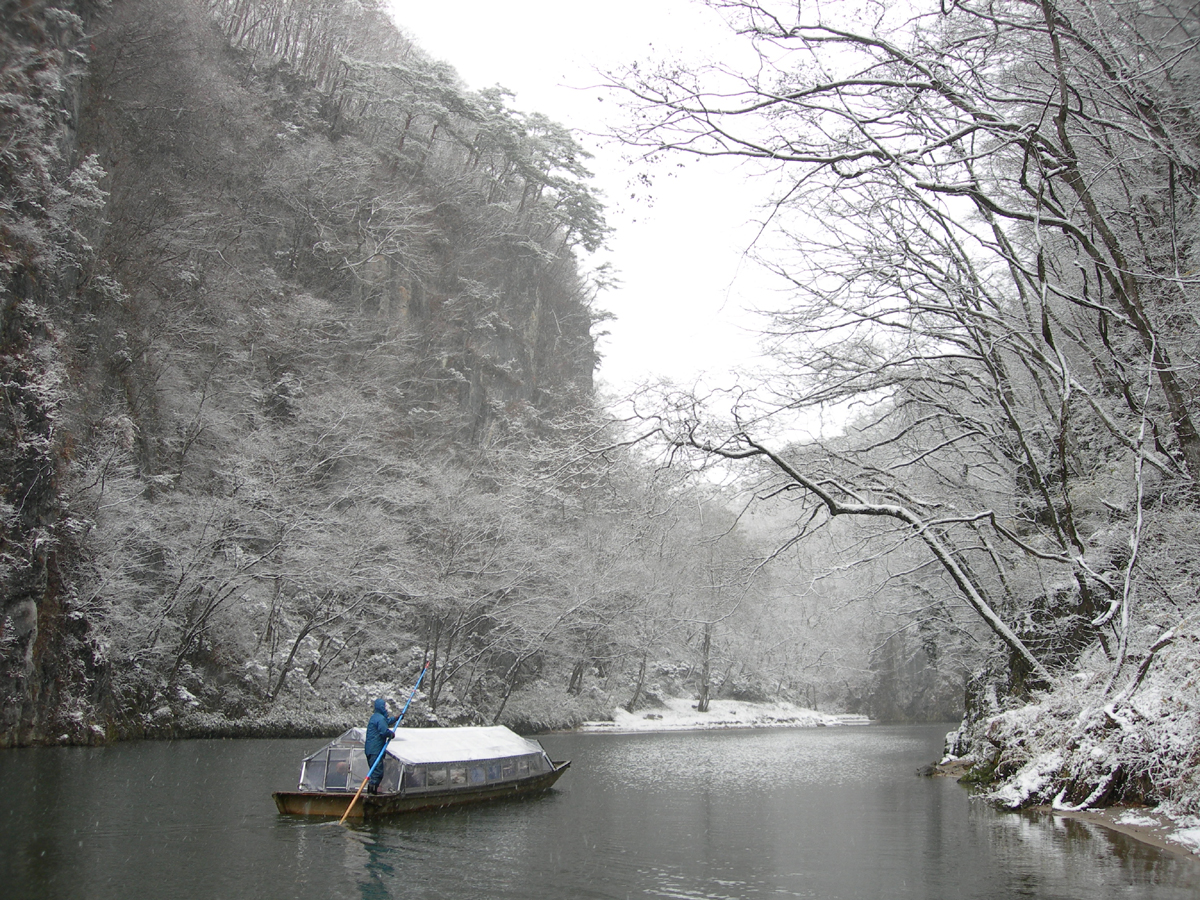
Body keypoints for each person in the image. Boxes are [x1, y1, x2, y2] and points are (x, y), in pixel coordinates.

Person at [364, 698, 399, 794]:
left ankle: (371, 792)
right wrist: (391, 734)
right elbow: (384, 731)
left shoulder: (375, 717)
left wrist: (395, 718)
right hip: (375, 749)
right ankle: (372, 793)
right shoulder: (380, 718)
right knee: (377, 773)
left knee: (374, 771)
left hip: (370, 749)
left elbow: (385, 722)